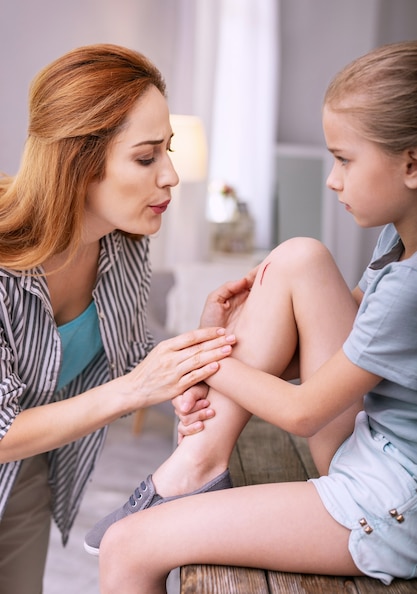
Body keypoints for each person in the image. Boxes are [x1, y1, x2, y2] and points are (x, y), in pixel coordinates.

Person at [85, 40, 417, 592]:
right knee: (299, 257)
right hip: (371, 446)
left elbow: (305, 412)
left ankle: (194, 467)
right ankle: (199, 463)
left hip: (392, 503)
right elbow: (352, 347)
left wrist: (200, 359)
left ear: (412, 163)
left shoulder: (411, 286)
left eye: (344, 160)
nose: (332, 180)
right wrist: (233, 335)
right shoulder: (397, 241)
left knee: (126, 548)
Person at [0, 43, 255, 594]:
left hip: (27, 475)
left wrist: (193, 345)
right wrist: (137, 390)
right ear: (79, 164)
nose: (170, 176)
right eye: (146, 157)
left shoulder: (126, 242)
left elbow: (127, 351)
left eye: (169, 150)